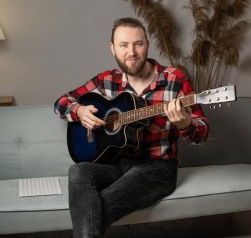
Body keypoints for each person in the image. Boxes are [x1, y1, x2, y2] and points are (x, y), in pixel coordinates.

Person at [54, 17, 209, 238]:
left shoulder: (175, 79)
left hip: (157, 169)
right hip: (116, 164)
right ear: (112, 48)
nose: (132, 52)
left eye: (138, 43)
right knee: (78, 171)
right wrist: (79, 111)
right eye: (123, 45)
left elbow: (202, 131)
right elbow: (61, 102)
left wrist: (185, 123)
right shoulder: (107, 80)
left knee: (97, 206)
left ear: (147, 43)